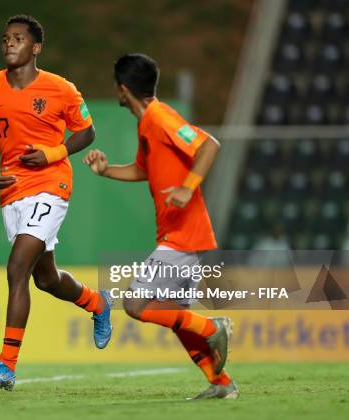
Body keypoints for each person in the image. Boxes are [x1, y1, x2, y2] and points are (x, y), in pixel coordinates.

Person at [0, 15, 112, 391]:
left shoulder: (60, 89)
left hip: (51, 183)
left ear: (36, 47)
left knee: (17, 267)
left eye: (18, 39)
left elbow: (87, 131)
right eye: (5, 39)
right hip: (12, 191)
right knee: (44, 278)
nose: (9, 44)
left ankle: (6, 365)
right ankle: (98, 304)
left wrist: (53, 153)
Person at [84, 53, 238, 399]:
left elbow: (208, 145)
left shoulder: (160, 116)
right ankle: (221, 385)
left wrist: (188, 185)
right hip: (184, 237)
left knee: (137, 305)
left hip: (182, 236)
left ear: (123, 90)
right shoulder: (147, 125)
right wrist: (106, 170)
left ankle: (214, 326)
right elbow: (142, 170)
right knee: (176, 318)